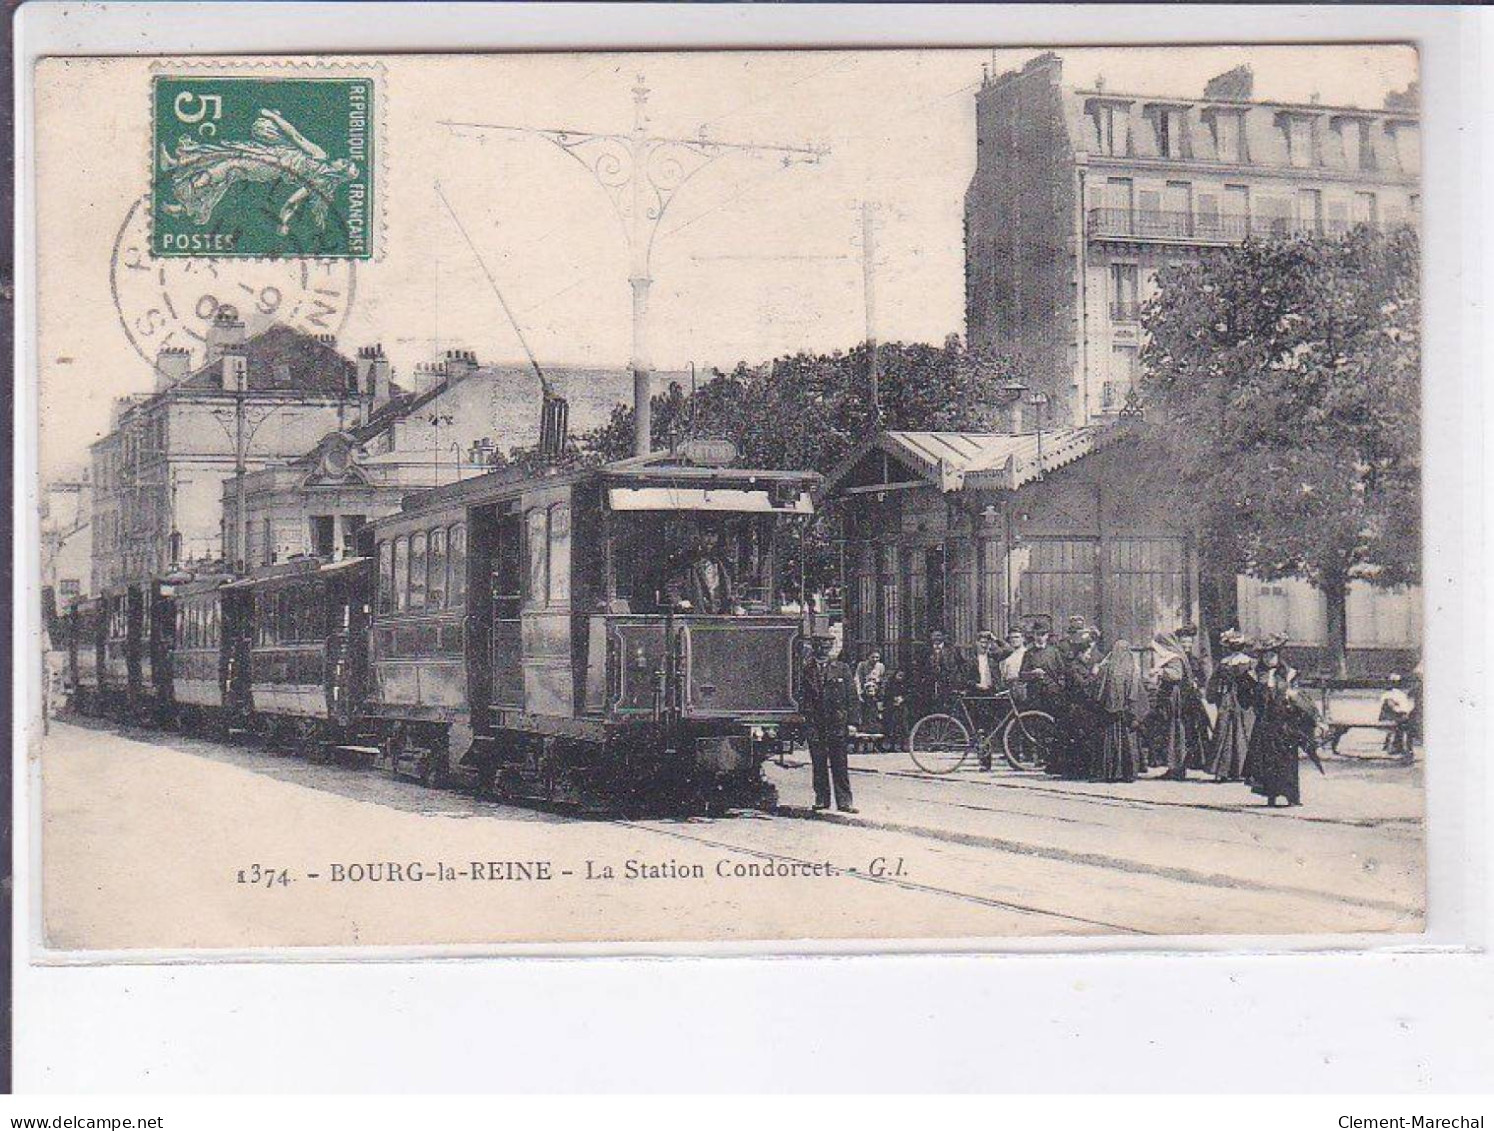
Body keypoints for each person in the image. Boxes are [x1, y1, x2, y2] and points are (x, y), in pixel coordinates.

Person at [1246, 642, 1318, 807]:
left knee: (1288, 760)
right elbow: (1250, 698)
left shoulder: (1289, 674)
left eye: (1272, 656)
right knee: (1268, 760)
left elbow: (1300, 696)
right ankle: (1271, 794)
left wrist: (1291, 697)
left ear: (1278, 656)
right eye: (1265, 656)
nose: (1269, 659)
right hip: (1265, 723)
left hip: (1285, 723)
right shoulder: (1256, 675)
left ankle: (1292, 795)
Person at [801, 634, 857, 813]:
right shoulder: (805, 670)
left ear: (831, 649)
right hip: (815, 723)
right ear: (815, 648)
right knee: (818, 764)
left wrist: (853, 723)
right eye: (820, 648)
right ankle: (821, 799)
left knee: (840, 763)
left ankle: (845, 802)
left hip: (837, 723)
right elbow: (801, 696)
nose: (823, 651)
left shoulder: (842, 669)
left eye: (826, 648)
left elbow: (851, 696)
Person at [1148, 629, 1211, 781]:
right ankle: (1173, 767)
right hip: (1173, 700)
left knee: (1175, 733)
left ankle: (1177, 768)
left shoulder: (1174, 658)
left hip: (1175, 701)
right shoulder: (1176, 657)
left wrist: (1160, 672)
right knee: (1172, 734)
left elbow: (1176, 675)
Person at [1092, 639, 1150, 782]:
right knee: (1129, 743)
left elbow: (1098, 693)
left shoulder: (1107, 670)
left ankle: (1111, 772)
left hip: (1110, 715)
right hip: (1127, 715)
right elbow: (1139, 696)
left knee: (1110, 742)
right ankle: (1129, 773)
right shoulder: (1133, 671)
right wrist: (1135, 713)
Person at [1206, 628, 1258, 781]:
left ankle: (1224, 771)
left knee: (1227, 731)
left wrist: (1213, 697)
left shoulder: (1225, 663)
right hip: (1242, 700)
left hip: (1230, 699)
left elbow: (1213, 684)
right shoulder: (1249, 663)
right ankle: (1240, 771)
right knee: (1241, 731)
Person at [1019, 617, 1069, 775]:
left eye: (1042, 634)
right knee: (1037, 727)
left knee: (1053, 726)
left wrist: (1059, 686)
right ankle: (1039, 757)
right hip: (1035, 695)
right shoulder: (1029, 653)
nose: (1039, 637)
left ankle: (1053, 758)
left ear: (1047, 635)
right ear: (1033, 636)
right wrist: (1032, 674)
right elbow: (1022, 674)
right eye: (1036, 634)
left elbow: (1063, 672)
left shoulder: (1054, 652)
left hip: (1053, 695)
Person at [666, 528, 735, 614]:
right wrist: (680, 602)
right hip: (696, 617)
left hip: (720, 618)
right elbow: (672, 587)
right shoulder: (688, 564)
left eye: (713, 535)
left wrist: (736, 606)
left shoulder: (723, 565)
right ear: (699, 537)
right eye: (706, 535)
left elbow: (733, 590)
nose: (710, 539)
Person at [918, 629, 966, 717]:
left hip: (948, 685)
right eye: (934, 635)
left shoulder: (953, 650)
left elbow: (961, 667)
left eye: (939, 635)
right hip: (929, 686)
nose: (936, 638)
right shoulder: (925, 651)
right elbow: (920, 667)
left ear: (944, 637)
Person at [1378, 674, 1416, 759]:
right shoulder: (1389, 694)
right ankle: (1398, 746)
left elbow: (1403, 706)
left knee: (1404, 724)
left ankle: (1400, 747)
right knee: (1401, 724)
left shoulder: (1399, 694)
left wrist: (1403, 711)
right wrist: (1401, 711)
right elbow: (1391, 705)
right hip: (1389, 716)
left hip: (1397, 716)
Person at [853, 648, 886, 733]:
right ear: (868, 657)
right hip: (865, 692)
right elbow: (857, 679)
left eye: (877, 657)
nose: (875, 659)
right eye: (873, 657)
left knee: (875, 712)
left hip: (875, 693)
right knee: (864, 712)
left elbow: (882, 680)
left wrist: (880, 693)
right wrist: (859, 693)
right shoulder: (862, 665)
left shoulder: (881, 666)